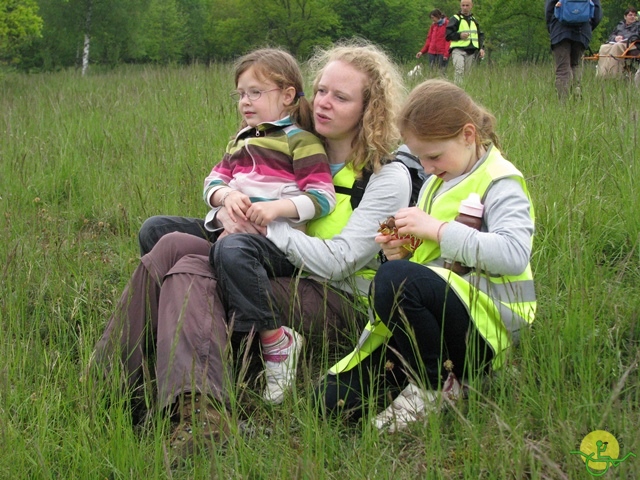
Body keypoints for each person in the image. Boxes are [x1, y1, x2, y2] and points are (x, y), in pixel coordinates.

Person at [90, 40, 411, 459]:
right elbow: (243, 189)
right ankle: (111, 380)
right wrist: (226, 212)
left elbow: (341, 261)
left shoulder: (386, 174)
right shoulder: (290, 139)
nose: (324, 103)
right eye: (322, 90)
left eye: (342, 97)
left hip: (338, 297)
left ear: (370, 108)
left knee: (196, 270)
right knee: (169, 242)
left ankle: (200, 414)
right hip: (268, 269)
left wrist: (264, 223)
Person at [318, 79, 536, 433]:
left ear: (468, 135)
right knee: (329, 401)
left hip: (484, 330)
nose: (428, 167)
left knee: (394, 279)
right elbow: (426, 261)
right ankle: (437, 377)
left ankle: (435, 385)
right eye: (419, 157)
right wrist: (400, 250)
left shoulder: (501, 181)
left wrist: (434, 230)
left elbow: (513, 254)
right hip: (433, 323)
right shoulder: (436, 182)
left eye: (433, 155)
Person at [545, 0, 602, 99]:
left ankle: (563, 103)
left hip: (560, 31)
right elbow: (597, 13)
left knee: (562, 69)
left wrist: (552, 27)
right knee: (576, 64)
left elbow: (549, 9)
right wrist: (588, 26)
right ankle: (576, 95)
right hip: (582, 32)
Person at [445, 0, 484, 84]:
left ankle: (466, 91)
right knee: (459, 71)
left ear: (471, 6)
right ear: (460, 6)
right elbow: (448, 35)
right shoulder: (455, 19)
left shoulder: (474, 20)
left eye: (467, 5)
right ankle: (458, 90)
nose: (465, 8)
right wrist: (459, 35)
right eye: (463, 5)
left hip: (471, 51)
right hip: (458, 50)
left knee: (468, 75)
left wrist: (481, 48)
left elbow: (479, 35)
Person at [596, 7, 639, 78]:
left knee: (617, 47)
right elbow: (612, 35)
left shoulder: (638, 25)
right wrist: (615, 38)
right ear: (625, 17)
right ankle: (602, 74)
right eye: (630, 15)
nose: (633, 17)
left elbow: (636, 36)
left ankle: (613, 74)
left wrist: (623, 37)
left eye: (634, 15)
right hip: (619, 42)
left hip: (632, 44)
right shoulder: (620, 25)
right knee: (604, 47)